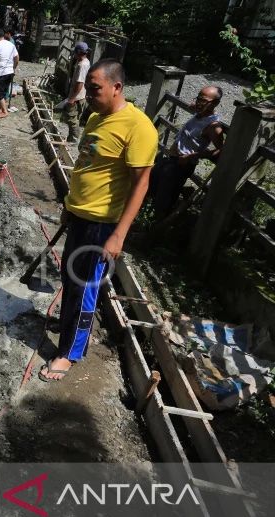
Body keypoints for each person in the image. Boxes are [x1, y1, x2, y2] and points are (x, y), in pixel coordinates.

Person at [39, 59, 157, 382]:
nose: (89, 95)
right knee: (70, 278)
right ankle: (69, 326)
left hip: (102, 225)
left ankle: (68, 352)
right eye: (88, 89)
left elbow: (140, 184)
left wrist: (119, 234)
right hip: (80, 216)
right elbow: (86, 166)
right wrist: (69, 205)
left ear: (117, 87)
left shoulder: (138, 127)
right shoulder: (95, 118)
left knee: (83, 286)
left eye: (95, 89)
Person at [148, 86, 224, 218]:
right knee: (153, 179)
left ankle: (157, 222)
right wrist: (197, 105)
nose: (199, 102)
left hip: (183, 164)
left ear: (215, 103)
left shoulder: (213, 126)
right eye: (198, 98)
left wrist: (194, 155)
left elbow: (222, 150)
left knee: (165, 196)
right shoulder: (200, 113)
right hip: (172, 158)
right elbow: (195, 106)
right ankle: (148, 215)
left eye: (203, 100)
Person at [63, 41, 91, 143]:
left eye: (75, 52)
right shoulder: (86, 62)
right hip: (81, 96)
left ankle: (74, 139)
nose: (73, 54)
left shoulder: (82, 65)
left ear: (78, 52)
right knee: (76, 118)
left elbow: (80, 83)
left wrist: (72, 98)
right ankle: (71, 138)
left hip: (78, 96)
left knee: (71, 118)